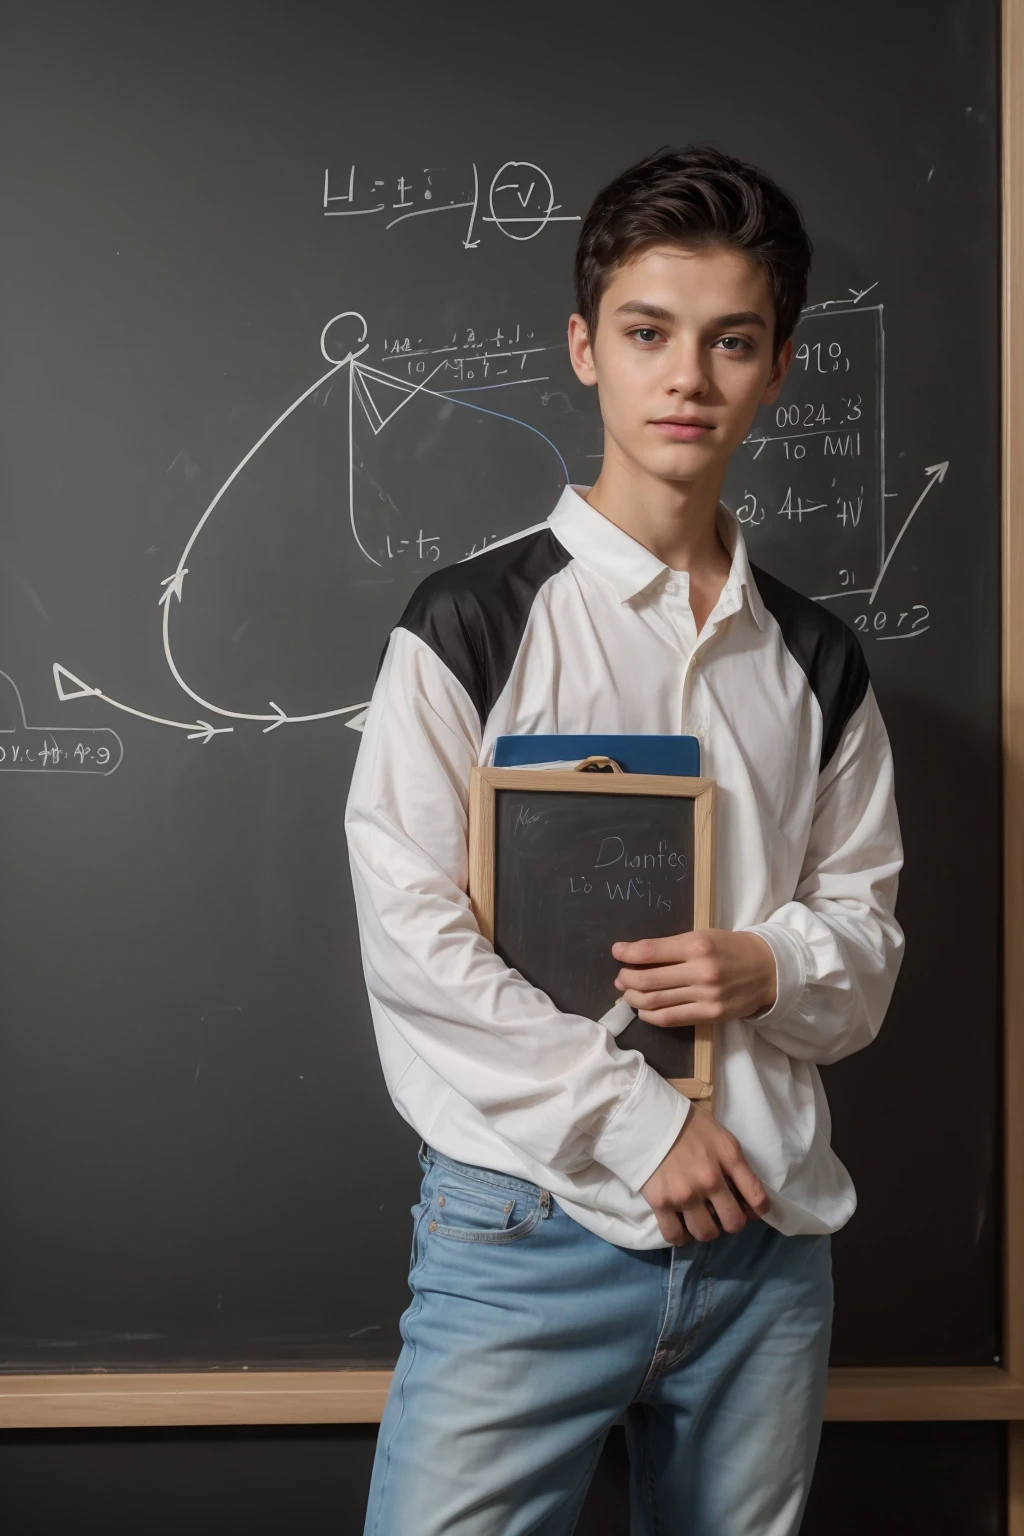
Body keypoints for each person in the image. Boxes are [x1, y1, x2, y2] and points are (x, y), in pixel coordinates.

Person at [344, 144, 904, 1536]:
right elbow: (413, 935)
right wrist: (638, 1119)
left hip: (768, 1244)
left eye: (732, 343)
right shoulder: (471, 623)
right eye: (651, 335)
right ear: (586, 346)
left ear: (777, 369)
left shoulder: (820, 662)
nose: (688, 380)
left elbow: (870, 944)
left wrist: (769, 966)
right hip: (528, 1229)